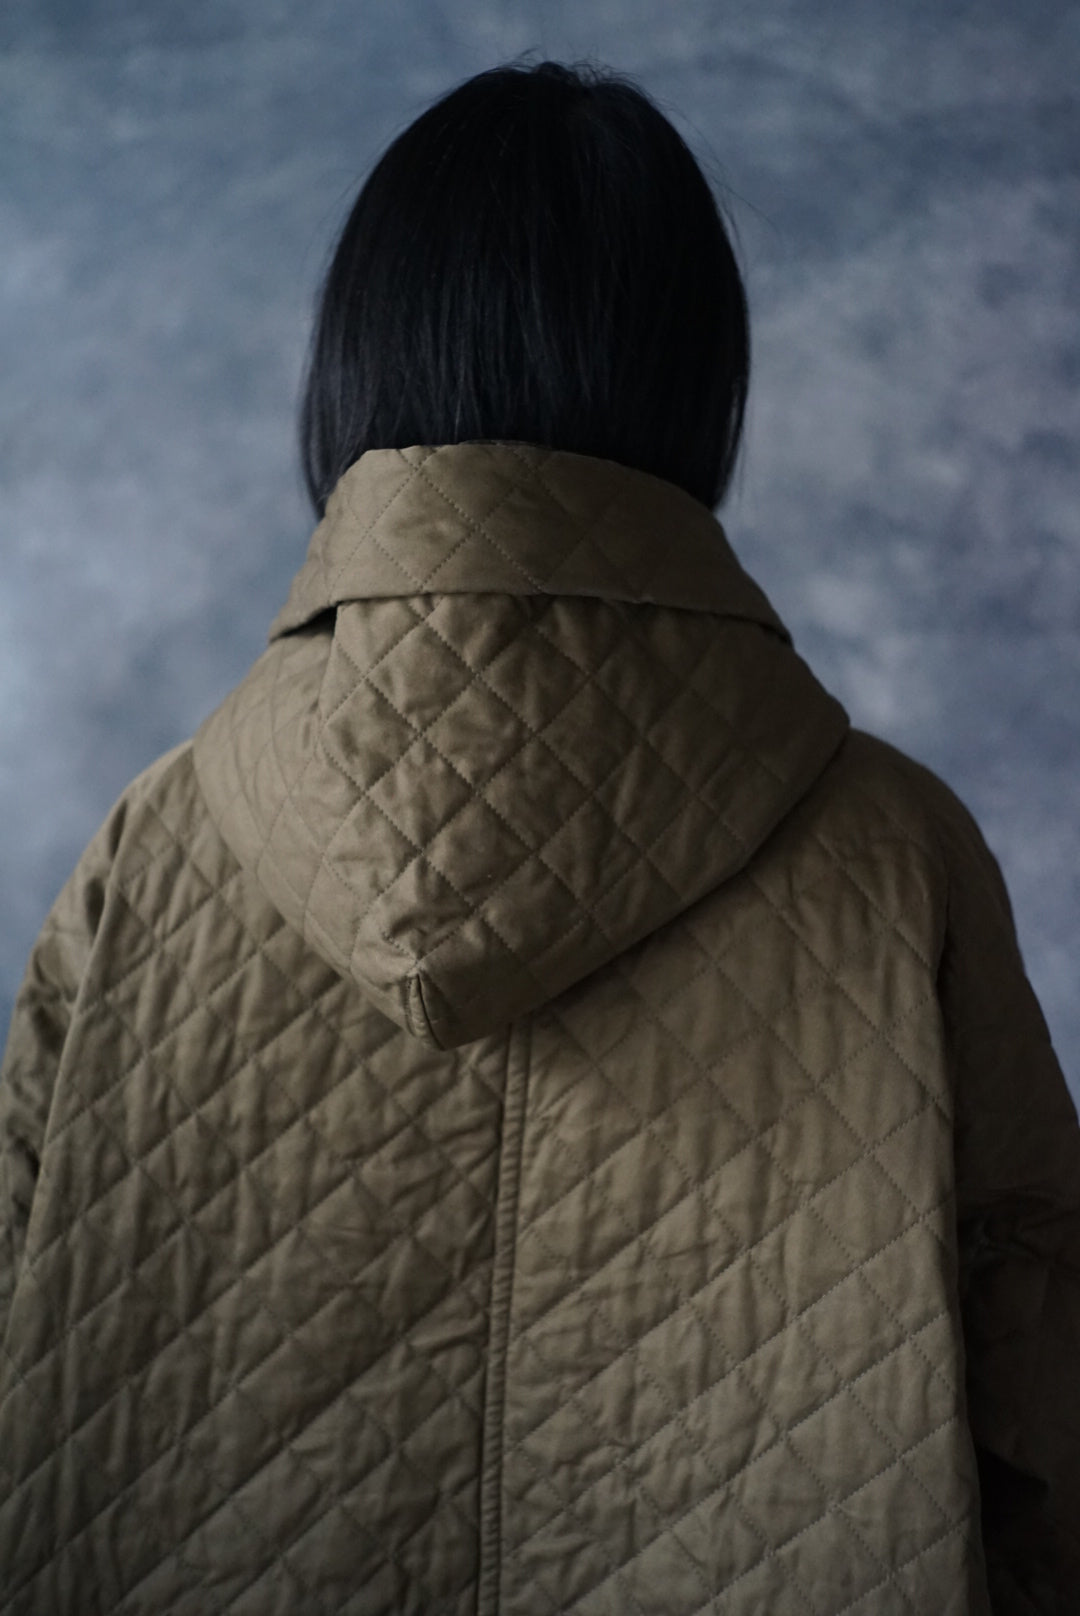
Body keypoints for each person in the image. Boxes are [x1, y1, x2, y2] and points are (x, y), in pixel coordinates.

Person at [1, 58, 1077, 1616]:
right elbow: (1042, 1392)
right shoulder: (899, 853)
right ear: (692, 377)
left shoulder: (150, 847)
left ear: (357, 363)